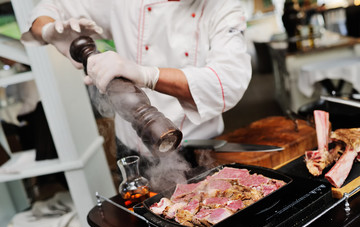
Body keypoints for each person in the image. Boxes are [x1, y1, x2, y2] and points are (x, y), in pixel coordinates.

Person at [21, 0, 252, 165]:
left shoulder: (223, 7)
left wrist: (146, 74)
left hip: (197, 148)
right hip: (131, 148)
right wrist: (49, 30)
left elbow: (227, 81)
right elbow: (50, 6)